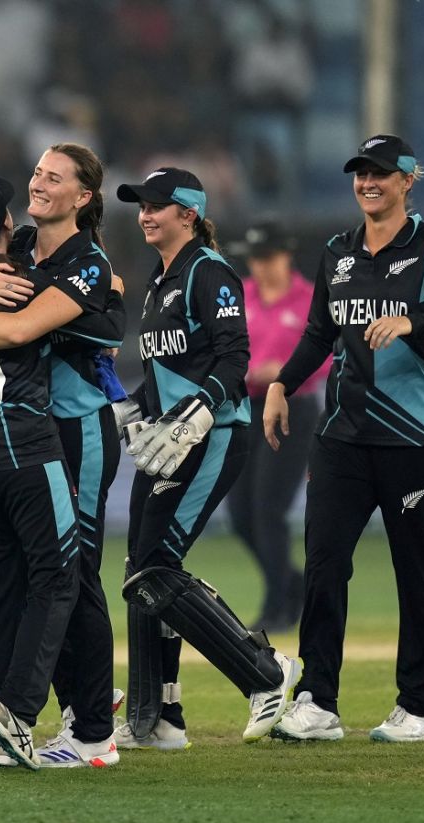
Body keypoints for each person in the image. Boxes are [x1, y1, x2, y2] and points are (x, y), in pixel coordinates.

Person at [0, 142, 124, 769]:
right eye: (37, 172)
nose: (37, 183)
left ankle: (90, 724)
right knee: (37, 581)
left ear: (83, 197)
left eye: (52, 176)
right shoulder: (18, 253)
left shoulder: (87, 262)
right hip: (27, 437)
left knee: (73, 575)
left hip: (76, 430)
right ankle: (38, 720)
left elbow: (18, 325)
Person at [268, 135, 424, 743]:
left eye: (381, 173)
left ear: (408, 180)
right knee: (325, 565)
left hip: (416, 438)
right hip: (343, 436)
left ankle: (418, 708)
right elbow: (316, 332)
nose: (368, 183)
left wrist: (413, 322)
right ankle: (317, 702)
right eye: (360, 173)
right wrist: (282, 384)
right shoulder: (337, 251)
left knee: (415, 572)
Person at [112, 166, 299, 749]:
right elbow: (165, 371)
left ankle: (265, 674)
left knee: (156, 568)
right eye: (141, 205)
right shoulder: (161, 277)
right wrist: (131, 407)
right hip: (167, 441)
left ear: (188, 214)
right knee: (140, 571)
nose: (145, 214)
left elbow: (233, 355)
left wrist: (198, 412)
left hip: (212, 436)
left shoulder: (208, 271)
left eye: (157, 206)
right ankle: (158, 717)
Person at [225, 218, 329, 632]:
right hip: (244, 408)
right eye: (254, 258)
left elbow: (322, 357)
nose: (260, 266)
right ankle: (293, 584)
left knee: (268, 509)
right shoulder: (240, 296)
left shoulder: (306, 299)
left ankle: (275, 609)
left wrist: (281, 373)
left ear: (286, 254)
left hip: (290, 411)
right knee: (240, 515)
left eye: (267, 256)